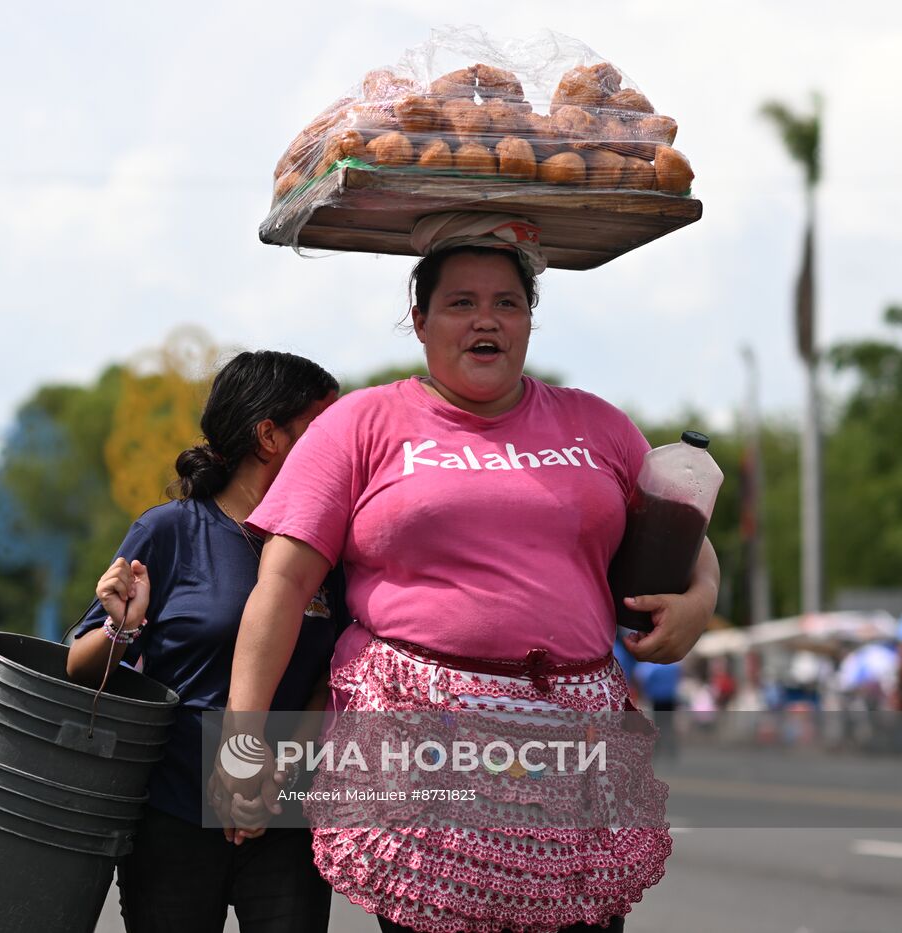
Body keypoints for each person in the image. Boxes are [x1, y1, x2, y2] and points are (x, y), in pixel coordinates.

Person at [214, 214, 721, 933]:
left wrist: (700, 600)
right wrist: (244, 738)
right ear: (419, 321)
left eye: (507, 303)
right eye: (461, 303)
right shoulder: (361, 424)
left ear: (529, 321)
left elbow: (691, 535)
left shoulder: (597, 424)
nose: (486, 320)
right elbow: (282, 585)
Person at [65, 350, 343, 933]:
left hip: (285, 813)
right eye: (323, 429)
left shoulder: (330, 548)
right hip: (172, 812)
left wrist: (274, 775)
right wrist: (124, 626)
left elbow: (332, 678)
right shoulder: (169, 530)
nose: (340, 447)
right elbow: (80, 667)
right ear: (269, 435)